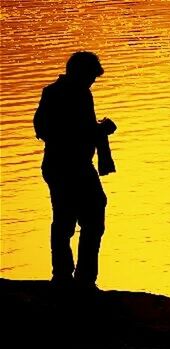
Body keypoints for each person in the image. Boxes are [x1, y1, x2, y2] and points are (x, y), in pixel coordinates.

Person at [33, 51, 117, 290]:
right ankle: (70, 277)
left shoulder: (78, 93)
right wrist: (99, 131)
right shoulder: (57, 93)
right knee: (68, 221)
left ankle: (76, 277)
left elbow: (80, 128)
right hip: (66, 167)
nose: (93, 81)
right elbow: (44, 129)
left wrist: (97, 129)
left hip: (75, 166)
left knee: (82, 219)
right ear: (80, 73)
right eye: (91, 76)